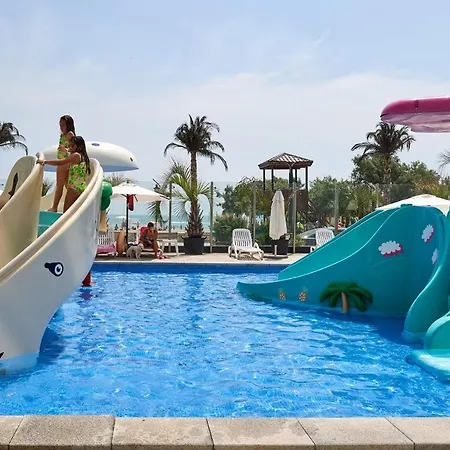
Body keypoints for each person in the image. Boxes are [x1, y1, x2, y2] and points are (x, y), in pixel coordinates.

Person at [37, 136, 91, 213]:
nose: (70, 148)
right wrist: (67, 151)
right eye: (70, 146)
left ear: (80, 146)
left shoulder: (76, 155)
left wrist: (44, 162)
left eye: (72, 146)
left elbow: (61, 162)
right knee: (74, 213)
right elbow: (70, 157)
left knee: (66, 212)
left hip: (74, 187)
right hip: (82, 187)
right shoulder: (83, 157)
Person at [48, 115, 76, 212]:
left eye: (63, 125)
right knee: (67, 185)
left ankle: (54, 207)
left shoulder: (69, 134)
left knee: (59, 185)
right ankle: (71, 206)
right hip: (64, 161)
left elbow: (73, 148)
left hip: (64, 161)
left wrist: (65, 150)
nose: (61, 127)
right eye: (60, 125)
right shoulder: (62, 136)